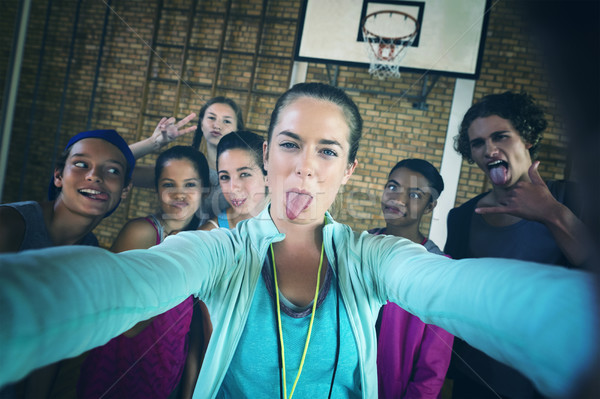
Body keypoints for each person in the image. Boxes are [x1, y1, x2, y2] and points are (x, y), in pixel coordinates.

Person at [0, 83, 596, 399]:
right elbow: (123, 284)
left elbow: (457, 289)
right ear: (267, 154)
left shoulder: (371, 257)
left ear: (349, 170)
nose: (305, 168)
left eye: (327, 151)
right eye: (289, 144)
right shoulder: (222, 248)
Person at [444, 91, 591, 399]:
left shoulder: (575, 199)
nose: (490, 149)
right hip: (478, 380)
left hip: (554, 383)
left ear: (527, 137)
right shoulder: (461, 218)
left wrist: (553, 214)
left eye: (501, 136)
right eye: (478, 143)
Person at [0, 129, 135, 398]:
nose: (94, 176)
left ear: (124, 191)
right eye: (82, 165)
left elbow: (54, 342)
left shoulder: (88, 250)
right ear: (58, 176)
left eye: (112, 171)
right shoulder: (9, 226)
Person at [77, 145, 210, 399]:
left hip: (168, 370)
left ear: (204, 191)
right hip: (119, 370)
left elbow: (195, 328)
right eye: (169, 184)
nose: (179, 194)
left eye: (190, 185)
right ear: (157, 189)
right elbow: (124, 322)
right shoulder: (142, 232)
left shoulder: (203, 241)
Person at [368, 159, 453, 398]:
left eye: (415, 194)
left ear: (429, 206)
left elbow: (432, 368)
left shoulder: (438, 270)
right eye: (393, 187)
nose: (397, 199)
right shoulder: (356, 248)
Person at [131, 97, 245, 222]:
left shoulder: (246, 177)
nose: (217, 125)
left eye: (227, 121)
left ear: (237, 130)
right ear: (201, 124)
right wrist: (153, 143)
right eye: (211, 118)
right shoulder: (183, 167)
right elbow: (122, 171)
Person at [200, 130, 268, 230]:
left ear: (268, 176)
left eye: (244, 174)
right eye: (224, 177)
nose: (232, 188)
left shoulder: (293, 221)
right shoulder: (208, 234)